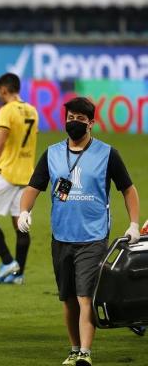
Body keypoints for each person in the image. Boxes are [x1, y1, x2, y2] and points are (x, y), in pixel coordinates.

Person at [17, 97, 140, 366]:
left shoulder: (108, 154)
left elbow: (128, 189)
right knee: (68, 299)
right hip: (61, 237)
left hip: (93, 238)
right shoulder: (51, 153)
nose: (74, 123)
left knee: (86, 296)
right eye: (70, 118)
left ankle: (85, 352)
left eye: (80, 119)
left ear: (91, 123)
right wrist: (24, 211)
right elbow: (33, 188)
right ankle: (74, 349)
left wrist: (133, 223)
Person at [0, 73, 38, 284]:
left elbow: (0, 140)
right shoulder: (32, 110)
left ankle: (7, 262)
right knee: (19, 223)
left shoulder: (7, 110)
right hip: (27, 175)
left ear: (3, 89)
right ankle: (19, 274)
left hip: (7, 172)